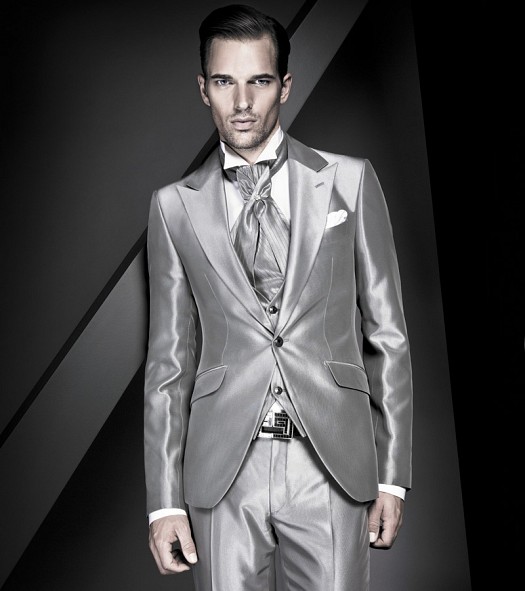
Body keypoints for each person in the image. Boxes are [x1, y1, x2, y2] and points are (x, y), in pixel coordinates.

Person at [144, 4, 413, 590]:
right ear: (203, 89)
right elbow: (168, 362)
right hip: (223, 470)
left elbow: (387, 336)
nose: (242, 102)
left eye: (259, 81)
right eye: (224, 82)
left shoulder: (350, 181)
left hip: (330, 463)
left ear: (284, 86)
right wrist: (163, 503)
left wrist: (392, 477)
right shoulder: (173, 207)